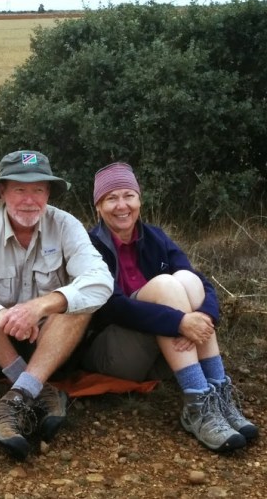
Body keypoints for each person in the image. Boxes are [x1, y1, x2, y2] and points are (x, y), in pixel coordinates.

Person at [0, 150, 114, 459]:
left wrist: (41, 306)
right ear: (2, 191)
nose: (30, 199)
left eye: (38, 189)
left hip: (49, 349)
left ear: (49, 193)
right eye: (20, 189)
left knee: (79, 300)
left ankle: (15, 399)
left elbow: (101, 280)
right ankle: (35, 387)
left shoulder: (66, 225)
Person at [82, 162, 258, 452]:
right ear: (98, 207)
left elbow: (202, 283)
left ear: (140, 200)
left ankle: (218, 394)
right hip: (114, 354)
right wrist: (177, 322)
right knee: (165, 285)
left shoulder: (155, 236)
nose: (121, 205)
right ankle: (197, 403)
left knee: (187, 279)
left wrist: (204, 316)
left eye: (128, 195)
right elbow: (110, 308)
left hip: (162, 351)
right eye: (111, 198)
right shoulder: (90, 245)